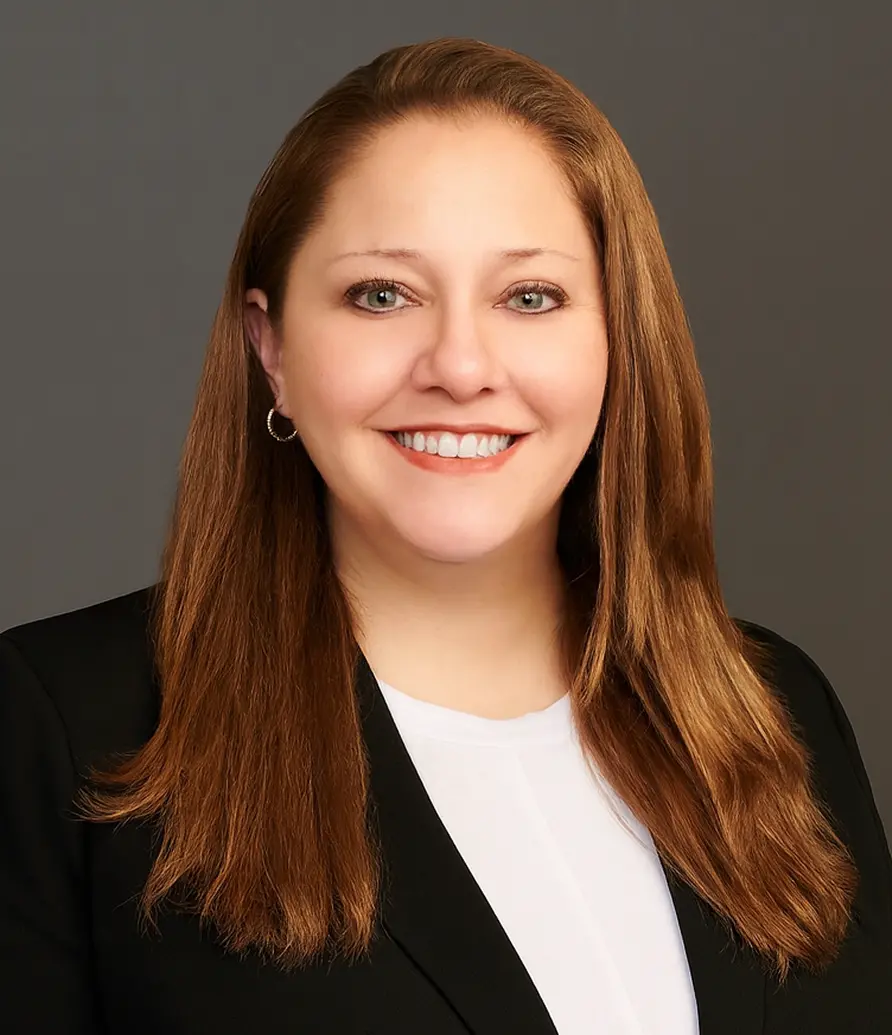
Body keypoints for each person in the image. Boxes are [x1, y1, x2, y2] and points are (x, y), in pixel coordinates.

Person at [1, 35, 890, 1035]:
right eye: (382, 295)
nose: (461, 365)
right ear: (273, 350)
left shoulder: (784, 715)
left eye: (529, 298)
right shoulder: (59, 730)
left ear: (617, 344)